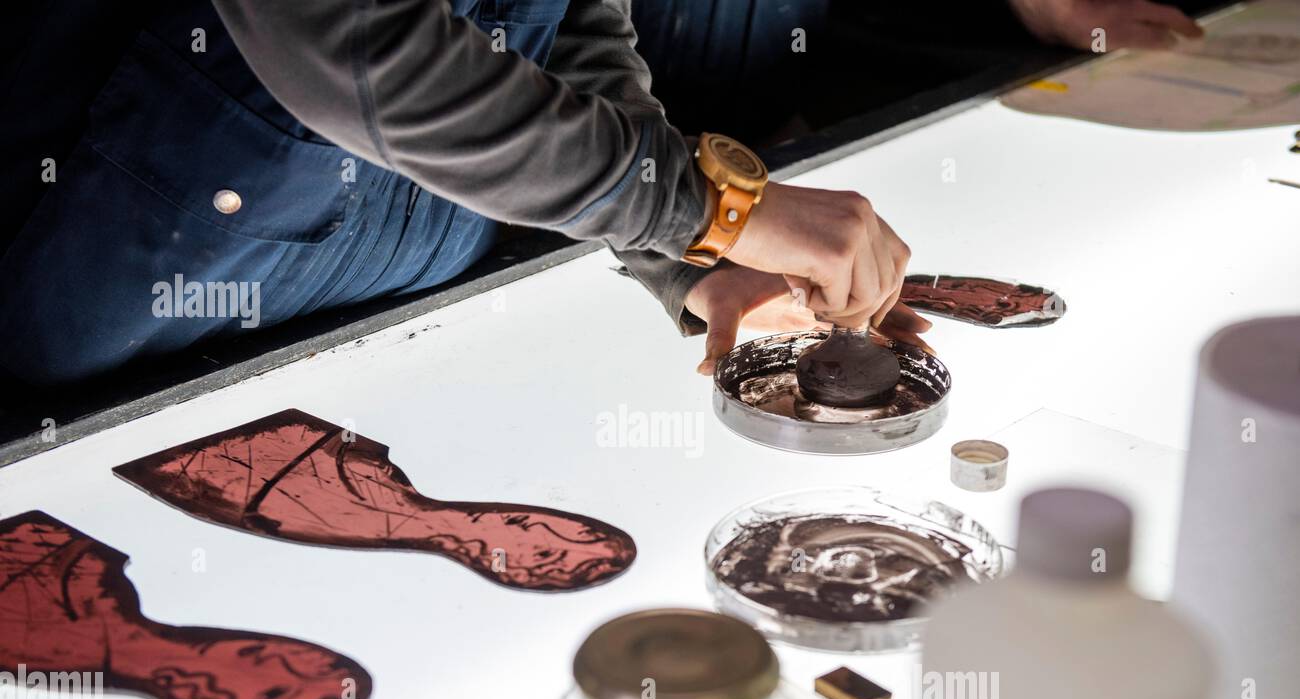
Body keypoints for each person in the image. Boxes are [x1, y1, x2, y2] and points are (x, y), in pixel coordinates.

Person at [0, 0, 924, 387]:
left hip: (410, 327)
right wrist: (712, 208)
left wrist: (690, 258)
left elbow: (573, 24)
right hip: (108, 352)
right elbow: (362, 45)